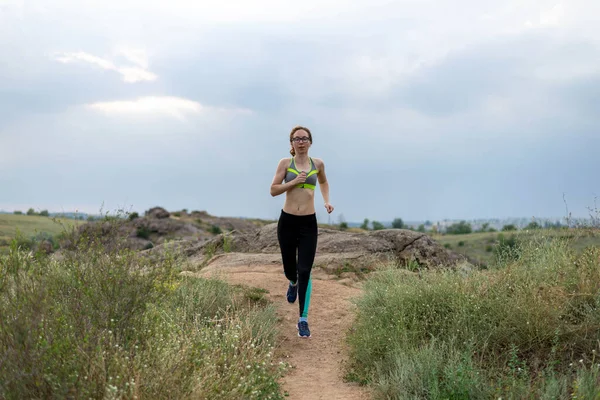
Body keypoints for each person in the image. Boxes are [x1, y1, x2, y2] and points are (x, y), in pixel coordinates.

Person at [270, 125, 334, 338]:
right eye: (297, 139)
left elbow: (323, 182)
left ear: (310, 142)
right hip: (287, 221)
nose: (301, 142)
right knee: (291, 269)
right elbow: (273, 190)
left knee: (305, 269)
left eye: (304, 138)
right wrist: (294, 182)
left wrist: (327, 201)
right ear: (292, 143)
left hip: (309, 223)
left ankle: (303, 319)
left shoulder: (318, 164)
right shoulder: (285, 164)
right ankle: (292, 282)